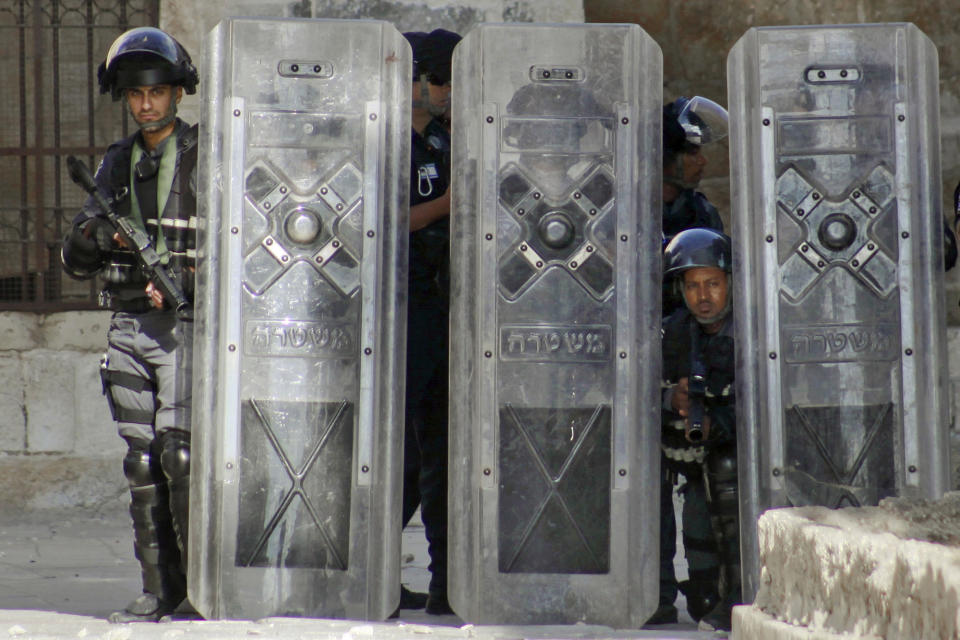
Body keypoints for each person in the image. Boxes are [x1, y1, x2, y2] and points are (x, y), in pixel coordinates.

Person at [60, 26, 198, 623]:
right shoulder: (115, 163)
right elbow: (73, 260)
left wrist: (190, 282)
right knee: (141, 462)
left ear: (177, 93)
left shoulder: (206, 155)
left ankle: (199, 590)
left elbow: (244, 245)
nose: (147, 104)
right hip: (129, 327)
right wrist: (95, 235)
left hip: (190, 327)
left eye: (158, 92)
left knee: (181, 457)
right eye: (136, 94)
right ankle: (158, 589)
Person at [649, 97, 729, 627]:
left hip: (700, 355)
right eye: (692, 152)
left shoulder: (700, 213)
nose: (702, 162)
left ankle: (709, 586)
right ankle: (651, 590)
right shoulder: (627, 207)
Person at [398, 28, 461, 617]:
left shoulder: (449, 139)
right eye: (440, 78)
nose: (447, 90)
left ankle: (446, 585)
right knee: (400, 456)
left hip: (448, 308)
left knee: (444, 453)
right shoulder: (387, 140)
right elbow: (386, 220)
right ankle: (372, 572)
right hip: (402, 310)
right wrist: (452, 202)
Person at [655, 228, 740, 632]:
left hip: (735, 466)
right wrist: (673, 399)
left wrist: (717, 422)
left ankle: (737, 592)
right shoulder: (672, 333)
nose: (702, 296)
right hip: (685, 464)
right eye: (692, 286)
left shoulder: (752, 333)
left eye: (712, 284)